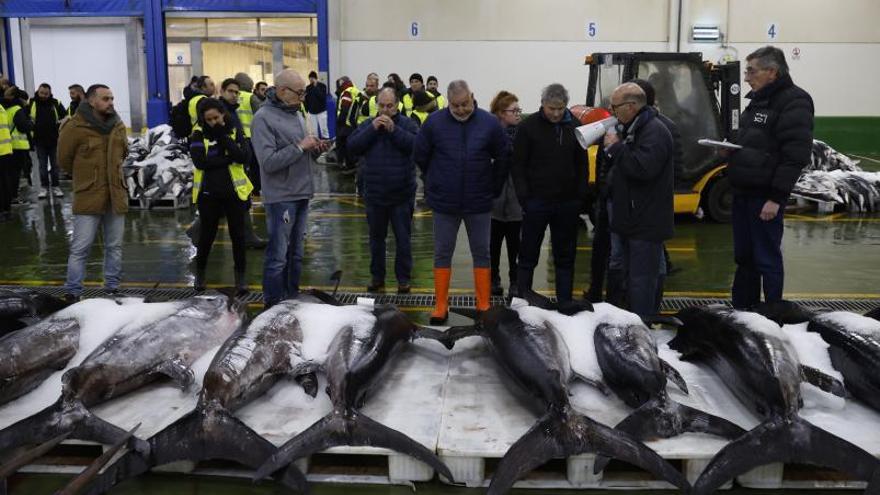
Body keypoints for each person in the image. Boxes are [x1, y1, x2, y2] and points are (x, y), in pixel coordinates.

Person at [413, 80, 507, 323]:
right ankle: (441, 304)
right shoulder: (433, 123)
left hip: (479, 202)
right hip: (445, 203)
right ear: (448, 102)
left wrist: (493, 188)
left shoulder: (489, 123)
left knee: (482, 253)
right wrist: (433, 182)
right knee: (442, 253)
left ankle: (483, 304)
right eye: (455, 106)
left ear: (472, 97)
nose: (461, 109)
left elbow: (503, 155)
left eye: (465, 104)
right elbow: (421, 155)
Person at [727, 46, 814, 309]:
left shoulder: (795, 101)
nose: (746, 77)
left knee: (766, 257)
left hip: (765, 196)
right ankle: (744, 311)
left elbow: (794, 155)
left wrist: (776, 198)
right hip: (743, 192)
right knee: (745, 257)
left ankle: (773, 312)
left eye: (751, 71)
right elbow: (754, 143)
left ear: (772, 72)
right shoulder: (756, 100)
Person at [251, 69, 330, 307]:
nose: (302, 97)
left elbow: (301, 149)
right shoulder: (263, 118)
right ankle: (273, 304)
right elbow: (268, 162)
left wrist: (315, 148)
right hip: (281, 197)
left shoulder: (296, 113)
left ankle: (291, 300)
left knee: (295, 256)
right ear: (283, 91)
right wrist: (299, 147)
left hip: (302, 192)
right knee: (278, 256)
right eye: (299, 92)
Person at [603, 82, 674, 318]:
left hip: (646, 220)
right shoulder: (636, 128)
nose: (613, 112)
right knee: (632, 278)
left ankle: (642, 326)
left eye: (615, 107)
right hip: (634, 217)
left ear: (631, 106)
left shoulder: (654, 131)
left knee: (642, 280)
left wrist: (615, 149)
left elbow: (643, 169)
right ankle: (634, 321)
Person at [512, 84, 587, 303]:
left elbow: (582, 165)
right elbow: (518, 165)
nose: (555, 113)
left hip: (567, 203)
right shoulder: (528, 127)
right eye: (551, 108)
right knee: (528, 254)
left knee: (565, 256)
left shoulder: (575, 126)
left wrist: (580, 196)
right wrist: (524, 197)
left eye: (560, 108)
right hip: (536, 202)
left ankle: (564, 302)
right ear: (543, 104)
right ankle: (522, 301)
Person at [58, 84, 128, 302]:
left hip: (115, 194)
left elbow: (124, 152)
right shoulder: (75, 126)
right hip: (89, 194)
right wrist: (87, 177)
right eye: (105, 99)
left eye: (112, 98)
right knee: (81, 247)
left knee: (114, 246)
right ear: (91, 101)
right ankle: (73, 292)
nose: (111, 102)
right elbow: (64, 160)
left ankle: (112, 288)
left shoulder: (118, 125)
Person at [348, 87, 418, 294]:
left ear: (397, 105)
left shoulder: (407, 124)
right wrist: (372, 129)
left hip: (401, 195)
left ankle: (403, 279)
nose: (385, 110)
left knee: (403, 240)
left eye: (389, 106)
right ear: (376, 105)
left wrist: (394, 130)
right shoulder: (367, 125)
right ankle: (377, 277)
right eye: (381, 106)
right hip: (375, 195)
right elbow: (352, 146)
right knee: (376, 240)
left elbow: (417, 145)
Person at [189, 97, 253, 294]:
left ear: (223, 114)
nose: (213, 122)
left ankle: (240, 279)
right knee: (207, 236)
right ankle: (200, 275)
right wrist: (227, 158)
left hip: (234, 193)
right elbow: (200, 162)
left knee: (238, 236)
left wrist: (223, 137)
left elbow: (243, 156)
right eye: (209, 120)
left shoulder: (233, 130)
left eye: (216, 117)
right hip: (209, 194)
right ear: (203, 119)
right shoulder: (198, 134)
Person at [488, 91, 522, 297]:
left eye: (519, 109)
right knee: (492, 244)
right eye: (514, 110)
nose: (518, 114)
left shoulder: (523, 135)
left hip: (516, 199)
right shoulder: (490, 135)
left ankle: (515, 281)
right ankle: (493, 279)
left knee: (515, 245)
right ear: (501, 113)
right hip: (494, 200)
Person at [29, 83, 66, 199]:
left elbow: (66, 116)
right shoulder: (32, 103)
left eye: (46, 94)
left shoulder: (56, 103)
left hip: (54, 140)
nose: (44, 95)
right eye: (41, 93)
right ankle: (44, 187)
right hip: (39, 141)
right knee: (42, 166)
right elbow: (25, 118)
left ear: (50, 93)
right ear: (38, 92)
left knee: (55, 166)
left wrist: (61, 124)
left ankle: (56, 187)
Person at [2, 87, 34, 212]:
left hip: (8, 146)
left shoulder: (6, 109)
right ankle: (14, 197)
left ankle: (10, 197)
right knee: (15, 174)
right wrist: (31, 122)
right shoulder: (17, 110)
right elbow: (23, 127)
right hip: (18, 146)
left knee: (8, 174)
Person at [334, 76, 359, 172]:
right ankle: (351, 164)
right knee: (350, 145)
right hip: (353, 123)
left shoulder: (347, 92)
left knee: (343, 145)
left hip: (345, 124)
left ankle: (346, 165)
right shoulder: (356, 90)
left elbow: (344, 108)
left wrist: (340, 121)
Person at [304, 70, 330, 139]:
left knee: (324, 130)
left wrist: (316, 87)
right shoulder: (308, 88)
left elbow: (322, 97)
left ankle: (326, 144)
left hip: (321, 112)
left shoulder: (322, 86)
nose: (311, 80)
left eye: (312, 79)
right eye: (310, 79)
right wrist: (307, 110)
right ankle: (315, 145)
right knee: (314, 132)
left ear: (315, 78)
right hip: (312, 113)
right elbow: (306, 100)